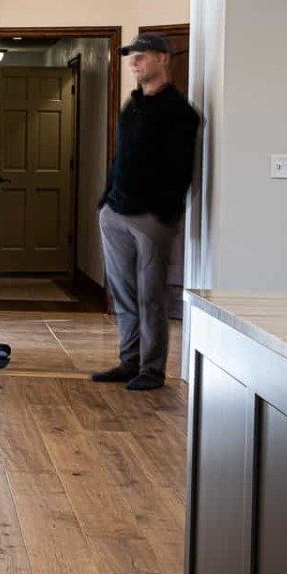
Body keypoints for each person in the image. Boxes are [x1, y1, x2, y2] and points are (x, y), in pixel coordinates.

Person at [93, 33, 201, 391]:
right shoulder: (133, 105)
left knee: (150, 294)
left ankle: (152, 369)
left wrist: (164, 213)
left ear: (162, 59)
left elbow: (181, 169)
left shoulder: (180, 112)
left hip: (151, 218)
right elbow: (120, 157)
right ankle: (129, 361)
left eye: (140, 56)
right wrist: (106, 200)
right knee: (122, 292)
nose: (133, 62)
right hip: (115, 212)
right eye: (131, 57)